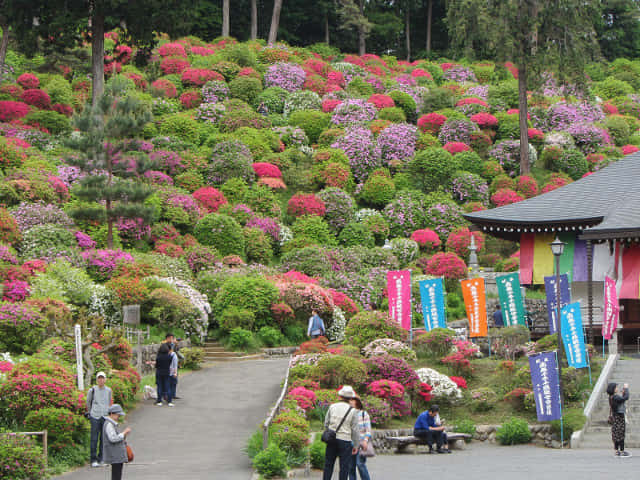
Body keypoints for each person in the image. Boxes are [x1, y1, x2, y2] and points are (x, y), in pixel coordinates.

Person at [323, 386, 360, 480]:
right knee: (344, 467)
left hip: (332, 439)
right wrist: (356, 445)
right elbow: (355, 430)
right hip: (345, 440)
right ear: (351, 398)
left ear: (340, 396)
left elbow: (326, 423)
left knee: (328, 464)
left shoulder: (332, 406)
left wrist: (330, 431)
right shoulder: (353, 411)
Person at [86, 371, 113, 467]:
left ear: (105, 379)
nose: (101, 380)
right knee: (94, 438)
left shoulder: (109, 390)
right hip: (95, 415)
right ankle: (93, 459)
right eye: (99, 378)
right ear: (97, 379)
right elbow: (88, 402)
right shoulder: (92, 390)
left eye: (102, 378)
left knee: (103, 439)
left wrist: (110, 415)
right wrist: (90, 413)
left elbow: (110, 402)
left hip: (105, 416)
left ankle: (101, 458)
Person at [102, 404, 131, 480]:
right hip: (114, 455)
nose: (119, 417)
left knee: (117, 474)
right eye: (118, 415)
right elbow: (113, 438)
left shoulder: (111, 423)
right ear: (112, 414)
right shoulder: (109, 424)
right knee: (116, 475)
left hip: (116, 455)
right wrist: (123, 433)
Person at [348, 396, 372, 480]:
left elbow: (368, 430)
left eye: (352, 400)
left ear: (357, 402)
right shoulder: (349, 414)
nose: (350, 402)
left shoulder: (363, 414)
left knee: (360, 464)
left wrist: (365, 440)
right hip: (351, 443)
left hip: (361, 443)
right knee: (351, 466)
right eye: (349, 400)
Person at [607, 382, 631, 457]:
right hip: (619, 418)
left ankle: (617, 451)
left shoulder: (611, 397)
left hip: (615, 417)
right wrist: (626, 389)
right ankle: (622, 451)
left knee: (616, 435)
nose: (617, 389)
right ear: (613, 389)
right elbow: (626, 398)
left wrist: (623, 393)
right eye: (616, 387)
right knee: (621, 435)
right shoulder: (615, 397)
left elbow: (621, 400)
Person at [165, 333, 182, 399]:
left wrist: (176, 344)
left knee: (174, 381)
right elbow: (170, 352)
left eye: (172, 338)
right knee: (168, 381)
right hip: (168, 366)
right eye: (171, 338)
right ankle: (167, 395)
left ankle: (173, 394)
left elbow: (177, 351)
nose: (172, 340)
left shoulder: (173, 344)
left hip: (174, 365)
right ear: (167, 338)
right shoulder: (164, 345)